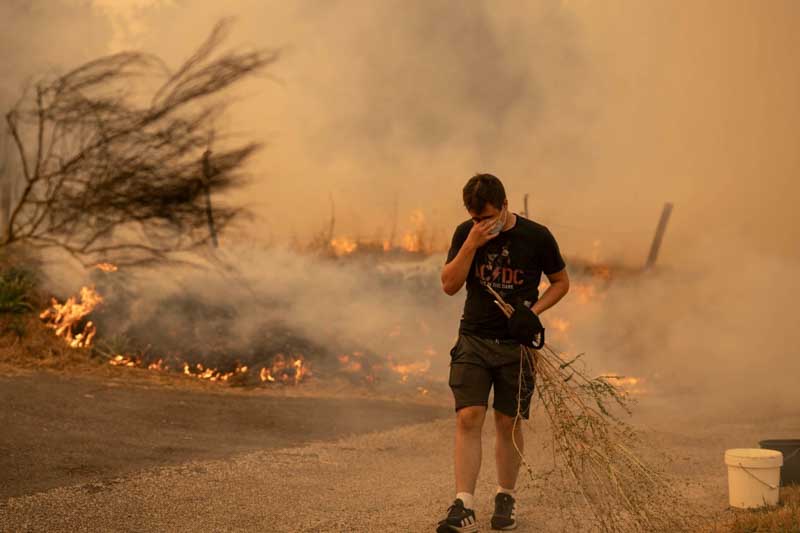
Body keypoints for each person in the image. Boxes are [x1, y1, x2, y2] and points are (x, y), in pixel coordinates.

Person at [437, 173, 570, 532]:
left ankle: (505, 496)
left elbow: (561, 282)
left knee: (507, 422)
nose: (482, 225)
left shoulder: (536, 236)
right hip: (474, 339)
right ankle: (463, 503)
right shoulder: (467, 232)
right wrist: (471, 244)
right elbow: (449, 285)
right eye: (476, 218)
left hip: (517, 346)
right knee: (468, 417)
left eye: (489, 218)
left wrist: (533, 313)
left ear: (506, 206)